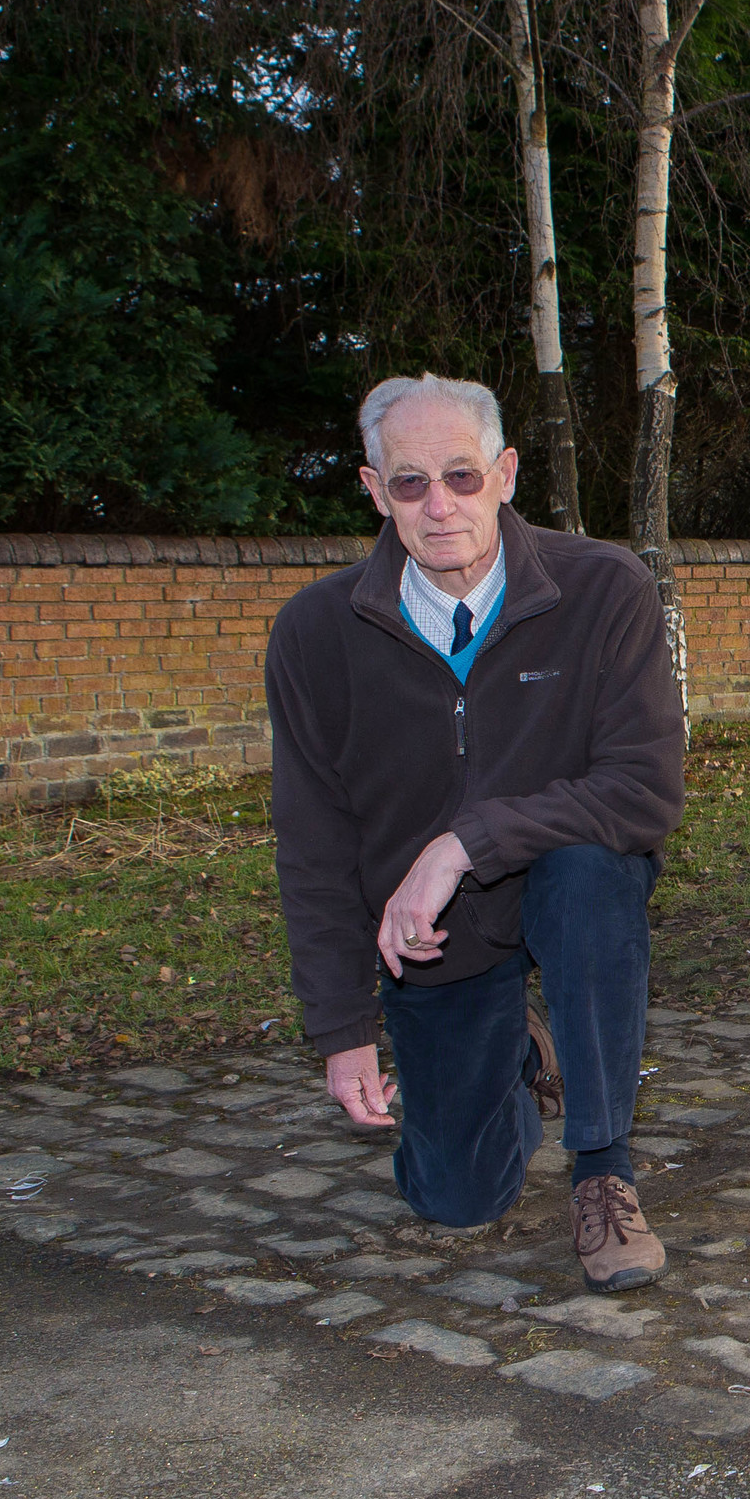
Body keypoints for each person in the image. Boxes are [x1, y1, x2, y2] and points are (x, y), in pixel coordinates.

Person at [264, 375, 685, 1291]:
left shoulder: (603, 589)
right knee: (456, 1197)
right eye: (409, 483)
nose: (439, 504)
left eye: (461, 475)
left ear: (506, 473)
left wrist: (463, 844)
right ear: (375, 492)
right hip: (434, 938)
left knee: (590, 871)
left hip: (561, 884)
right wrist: (342, 1029)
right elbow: (313, 844)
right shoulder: (314, 634)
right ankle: (516, 1051)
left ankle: (602, 1169)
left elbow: (642, 792)